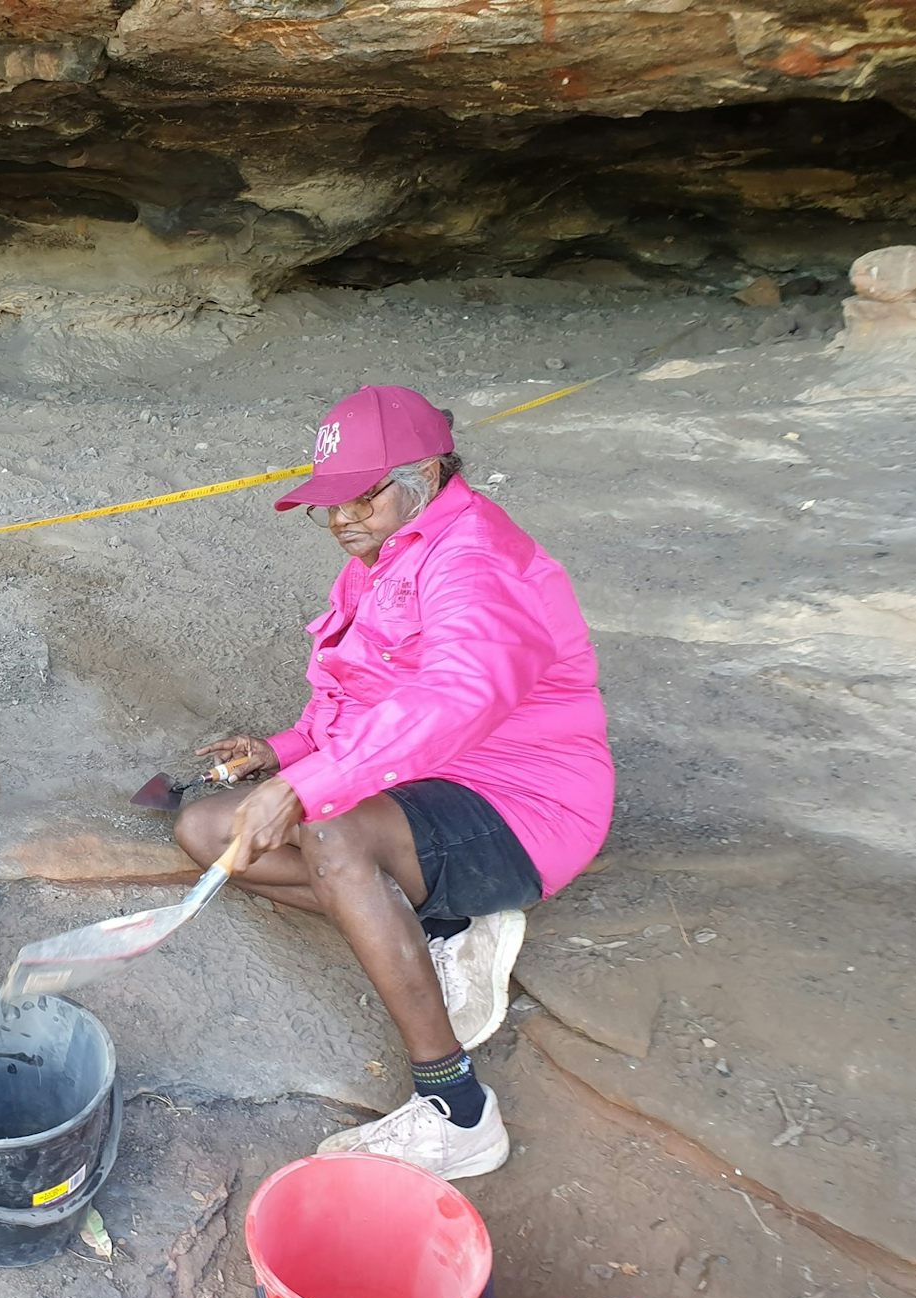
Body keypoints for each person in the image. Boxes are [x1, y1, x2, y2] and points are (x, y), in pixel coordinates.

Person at [177, 385, 612, 1180]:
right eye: (328, 503)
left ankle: (457, 1110)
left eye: (361, 496)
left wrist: (310, 789)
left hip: (525, 803)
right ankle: (445, 923)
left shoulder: (475, 557)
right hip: (427, 784)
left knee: (333, 832)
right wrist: (280, 751)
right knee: (208, 834)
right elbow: (356, 702)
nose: (342, 518)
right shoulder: (380, 560)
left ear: (434, 470)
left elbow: (458, 694)